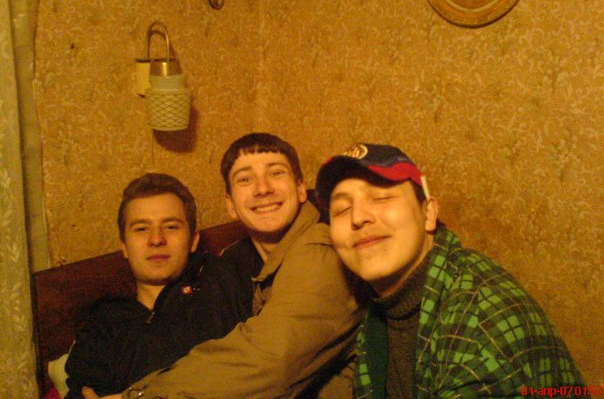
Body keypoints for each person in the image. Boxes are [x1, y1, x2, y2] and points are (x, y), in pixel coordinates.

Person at [95, 133, 361, 399]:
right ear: (231, 205)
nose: (263, 188)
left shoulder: (320, 251)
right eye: (245, 179)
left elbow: (269, 362)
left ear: (301, 190)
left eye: (276, 173)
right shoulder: (258, 265)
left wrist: (138, 395)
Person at [316, 143, 584, 398]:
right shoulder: (379, 301)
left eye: (381, 197)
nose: (358, 217)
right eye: (342, 209)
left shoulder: (480, 320)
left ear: (428, 214)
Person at [66, 173, 243, 398]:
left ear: (193, 241)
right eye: (141, 229)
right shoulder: (104, 323)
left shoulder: (222, 286)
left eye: (170, 227)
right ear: (124, 246)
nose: (156, 239)